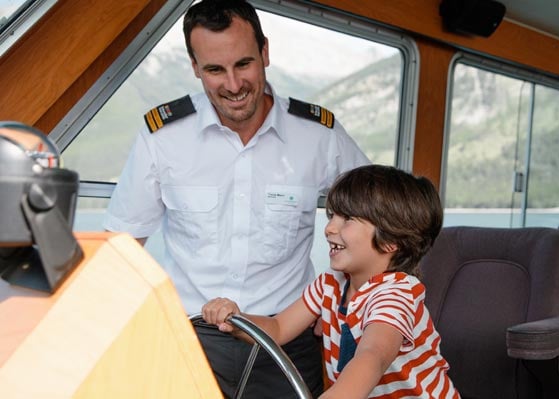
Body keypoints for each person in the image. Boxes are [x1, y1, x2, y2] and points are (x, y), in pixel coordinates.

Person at [103, 0, 369, 397]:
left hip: (286, 337)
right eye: (214, 69)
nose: (232, 84)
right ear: (195, 68)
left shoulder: (319, 135)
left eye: (243, 64)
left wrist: (341, 295)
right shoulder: (162, 136)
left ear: (265, 52)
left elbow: (378, 217)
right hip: (189, 337)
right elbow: (122, 249)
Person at [202, 164, 460, 398]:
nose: (329, 228)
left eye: (347, 219)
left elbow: (373, 356)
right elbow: (278, 328)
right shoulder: (331, 283)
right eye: (332, 216)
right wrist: (236, 322)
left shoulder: (396, 293)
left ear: (391, 240)